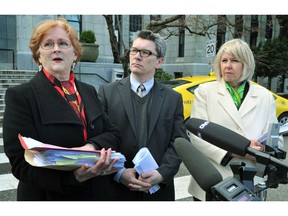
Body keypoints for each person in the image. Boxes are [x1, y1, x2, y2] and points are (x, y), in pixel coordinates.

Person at [3, 18, 121, 201]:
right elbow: (20, 164)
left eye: (63, 43)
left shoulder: (88, 91)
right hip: (50, 197)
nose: (56, 48)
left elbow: (113, 133)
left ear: (75, 54)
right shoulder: (21, 96)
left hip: (96, 194)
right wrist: (72, 177)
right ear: (38, 56)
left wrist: (92, 147)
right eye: (48, 44)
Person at [187, 38, 284, 201]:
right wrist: (241, 150)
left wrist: (262, 150)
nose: (228, 65)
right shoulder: (205, 92)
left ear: (246, 64)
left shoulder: (265, 97)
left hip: (251, 178)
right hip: (213, 177)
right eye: (224, 60)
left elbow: (276, 139)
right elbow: (197, 136)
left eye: (234, 60)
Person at [98, 30, 187, 201]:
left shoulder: (172, 98)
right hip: (115, 190)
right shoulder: (107, 92)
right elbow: (99, 138)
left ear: (159, 61)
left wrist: (162, 173)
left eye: (145, 52)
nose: (137, 56)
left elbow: (178, 142)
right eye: (134, 50)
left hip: (158, 191)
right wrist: (119, 172)